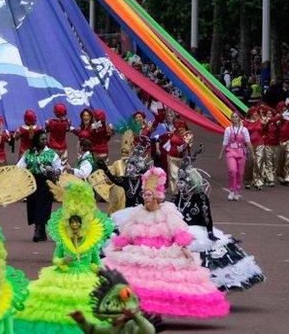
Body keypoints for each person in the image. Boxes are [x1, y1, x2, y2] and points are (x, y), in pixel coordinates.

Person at [102, 167, 230, 319]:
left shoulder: (167, 211)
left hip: (161, 255)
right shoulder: (139, 212)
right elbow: (128, 233)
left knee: (158, 285)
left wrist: (184, 249)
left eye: (148, 195)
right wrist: (118, 245)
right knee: (130, 280)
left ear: (156, 196)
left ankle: (153, 314)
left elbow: (177, 232)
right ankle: (139, 310)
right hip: (139, 255)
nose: (145, 197)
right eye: (144, 194)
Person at [14, 182, 114, 333]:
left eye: (77, 222)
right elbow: (55, 259)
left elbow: (96, 263)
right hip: (64, 275)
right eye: (72, 222)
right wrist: (63, 261)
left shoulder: (91, 243)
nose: (74, 225)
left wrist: (96, 269)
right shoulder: (63, 242)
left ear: (83, 223)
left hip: (87, 278)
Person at [173, 157, 265, 291]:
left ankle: (206, 287)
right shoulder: (178, 197)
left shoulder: (200, 197)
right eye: (179, 181)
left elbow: (207, 216)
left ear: (190, 181)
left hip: (198, 232)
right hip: (181, 233)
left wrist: (210, 233)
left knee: (207, 259)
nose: (180, 184)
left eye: (182, 181)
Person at [69, 268, 157, 334]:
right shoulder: (113, 327)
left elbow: (149, 331)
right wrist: (82, 321)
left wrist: (136, 317)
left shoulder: (132, 325)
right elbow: (94, 330)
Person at [15, 131, 61, 242]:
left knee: (43, 206)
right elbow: (19, 167)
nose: (45, 141)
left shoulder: (52, 154)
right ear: (36, 140)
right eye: (42, 139)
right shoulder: (28, 153)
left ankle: (38, 231)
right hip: (32, 183)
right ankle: (42, 232)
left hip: (46, 183)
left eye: (46, 139)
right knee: (33, 206)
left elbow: (59, 169)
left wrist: (52, 171)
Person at [220, 112, 252, 201]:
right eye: (233, 117)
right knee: (232, 170)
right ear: (231, 119)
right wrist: (220, 153)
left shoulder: (244, 130)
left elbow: (248, 142)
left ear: (239, 118)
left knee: (240, 173)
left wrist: (252, 153)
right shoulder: (228, 129)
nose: (234, 118)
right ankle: (231, 190)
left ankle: (237, 190)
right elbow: (225, 142)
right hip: (231, 151)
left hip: (241, 152)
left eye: (236, 117)